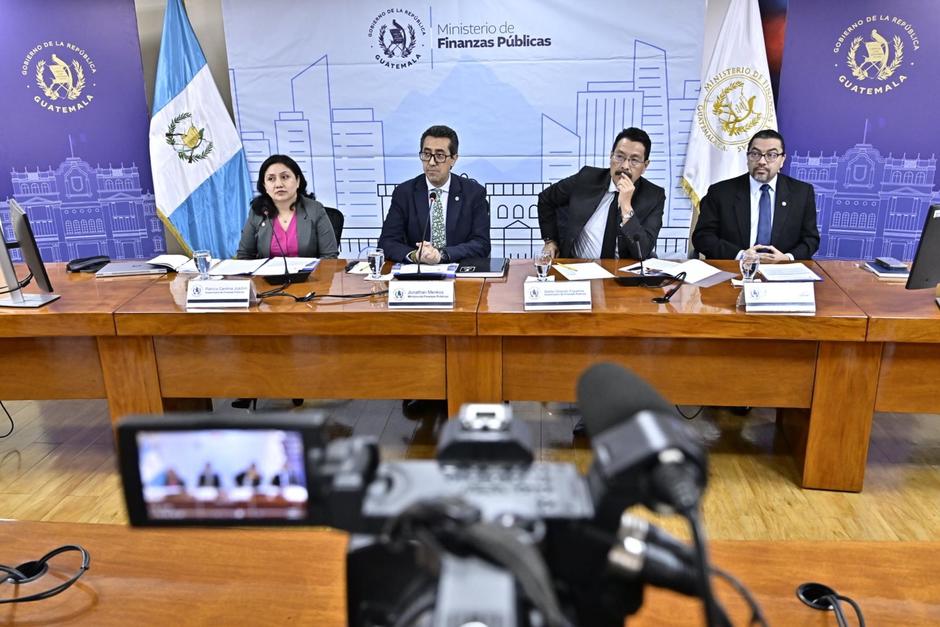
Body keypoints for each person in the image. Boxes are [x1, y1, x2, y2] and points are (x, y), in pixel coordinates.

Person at [691, 129, 820, 262]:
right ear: (747, 157)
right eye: (755, 154)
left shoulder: (802, 193)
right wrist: (741, 255)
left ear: (782, 160)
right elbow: (703, 237)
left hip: (781, 272)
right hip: (734, 269)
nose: (762, 161)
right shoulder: (720, 192)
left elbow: (810, 239)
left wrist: (787, 258)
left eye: (771, 155)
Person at [538, 127, 665, 260]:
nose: (625, 166)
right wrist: (550, 240)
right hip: (576, 268)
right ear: (611, 156)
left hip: (622, 274)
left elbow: (642, 253)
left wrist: (626, 207)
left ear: (645, 166)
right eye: (620, 156)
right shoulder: (586, 178)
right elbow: (546, 199)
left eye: (634, 160)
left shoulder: (654, 196)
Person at [378, 125, 490, 263]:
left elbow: (481, 244)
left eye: (439, 155)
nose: (431, 162)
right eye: (426, 154)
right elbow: (387, 242)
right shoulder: (404, 193)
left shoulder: (473, 193)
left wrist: (441, 255)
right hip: (416, 272)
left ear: (453, 159)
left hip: (459, 272)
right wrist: (415, 255)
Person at [236, 154, 339, 260]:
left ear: (298, 181)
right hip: (267, 276)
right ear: (264, 185)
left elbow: (329, 257)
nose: (279, 184)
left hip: (308, 276)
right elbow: (244, 255)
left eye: (285, 177)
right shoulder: (258, 212)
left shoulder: (315, 209)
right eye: (271, 179)